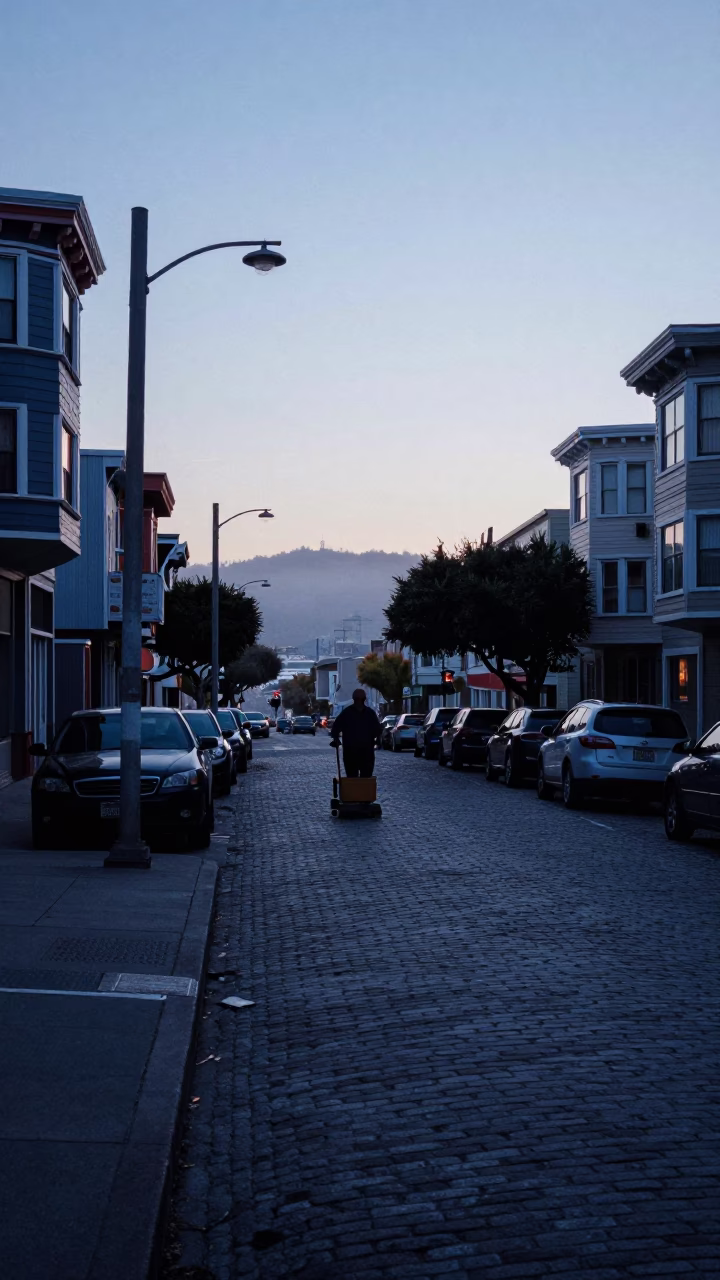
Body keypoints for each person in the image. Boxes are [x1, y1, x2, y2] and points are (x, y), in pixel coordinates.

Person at [330, 689, 382, 777]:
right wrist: (335, 739)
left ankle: (362, 790)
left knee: (365, 777)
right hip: (351, 752)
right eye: (358, 699)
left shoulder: (369, 713)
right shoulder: (347, 713)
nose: (358, 701)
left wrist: (378, 740)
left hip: (366, 752)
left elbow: (377, 730)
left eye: (359, 699)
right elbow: (336, 728)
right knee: (352, 778)